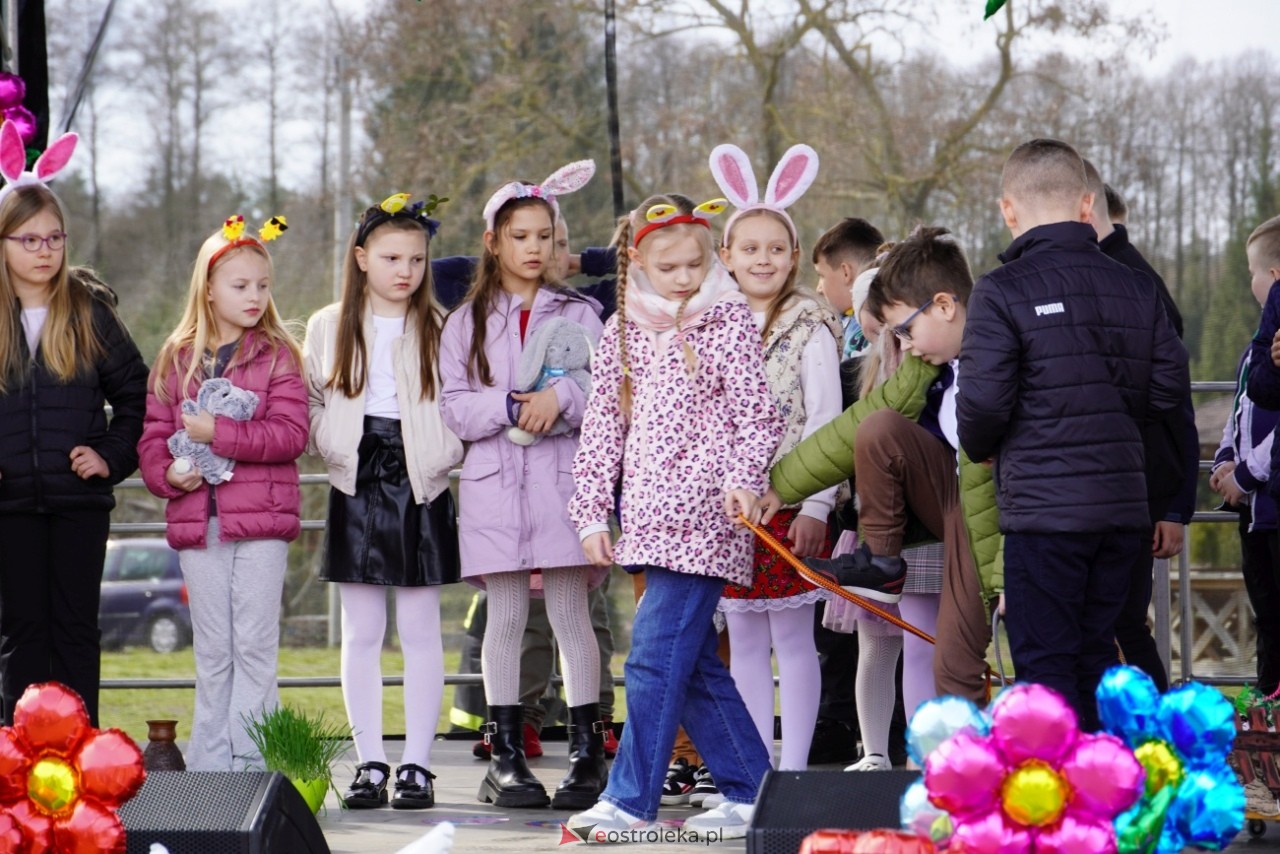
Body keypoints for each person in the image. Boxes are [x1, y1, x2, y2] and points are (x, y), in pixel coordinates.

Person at [567, 192, 782, 841]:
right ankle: (753, 791)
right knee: (688, 667)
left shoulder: (728, 322)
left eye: (695, 264)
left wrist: (745, 481)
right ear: (638, 263)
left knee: (653, 661)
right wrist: (590, 512)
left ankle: (631, 800)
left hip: (707, 519)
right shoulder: (623, 331)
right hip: (648, 519)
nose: (685, 278)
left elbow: (759, 415)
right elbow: (603, 424)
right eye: (670, 268)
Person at [957, 138, 1189, 730]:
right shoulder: (1137, 286)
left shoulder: (1000, 290)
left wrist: (984, 448)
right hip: (1121, 514)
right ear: (1087, 204)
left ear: (1009, 209)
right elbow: (1167, 391)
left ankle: (1059, 811)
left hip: (1043, 514)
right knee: (1101, 659)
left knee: (1045, 664)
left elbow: (982, 405)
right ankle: (1117, 802)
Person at [439, 160, 607, 811]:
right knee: (504, 617)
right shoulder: (465, 323)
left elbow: (604, 392)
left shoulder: (581, 312)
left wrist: (560, 396)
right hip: (492, 488)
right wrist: (512, 407)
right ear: (494, 243)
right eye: (520, 236)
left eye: (545, 235)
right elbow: (454, 407)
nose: (534, 247)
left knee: (572, 614)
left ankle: (587, 753)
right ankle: (506, 755)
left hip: (565, 484)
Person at [775, 228, 999, 712]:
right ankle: (880, 562)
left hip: (1014, 524)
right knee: (879, 427)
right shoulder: (928, 362)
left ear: (944, 306)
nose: (905, 345)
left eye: (905, 329)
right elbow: (855, 428)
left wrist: (1008, 582)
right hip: (960, 512)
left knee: (1006, 659)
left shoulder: (1003, 356)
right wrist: (779, 487)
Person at [304, 195, 462, 809]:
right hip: (356, 474)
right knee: (362, 628)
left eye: (417, 259)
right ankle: (370, 759)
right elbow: (313, 399)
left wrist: (443, 451)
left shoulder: (443, 325)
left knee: (421, 627)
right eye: (392, 257)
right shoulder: (327, 324)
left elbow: (459, 401)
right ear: (362, 257)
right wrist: (333, 444)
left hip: (423, 475)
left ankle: (417, 764)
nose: (406, 270)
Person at [138, 215, 308, 769]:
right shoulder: (175, 358)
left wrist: (220, 434)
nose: (255, 296)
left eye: (263, 285)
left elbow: (290, 435)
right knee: (213, 652)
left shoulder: (280, 353)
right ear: (208, 289)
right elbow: (153, 439)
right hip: (199, 524)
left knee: (255, 647)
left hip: (261, 525)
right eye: (240, 286)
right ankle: (212, 767)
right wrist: (170, 474)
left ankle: (256, 768)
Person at [0, 163, 148, 727]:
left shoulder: (89, 311)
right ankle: (18, 771)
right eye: (29, 239)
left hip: (78, 506)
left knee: (75, 632)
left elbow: (138, 395)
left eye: (54, 238)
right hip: (9, 507)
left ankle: (82, 763)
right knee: (20, 637)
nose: (45, 251)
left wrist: (110, 455)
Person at [709, 142, 840, 772]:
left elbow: (825, 422)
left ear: (793, 256)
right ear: (726, 256)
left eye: (776, 248)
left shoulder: (808, 325)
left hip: (787, 502)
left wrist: (814, 500)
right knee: (744, 637)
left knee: (792, 637)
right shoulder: (709, 325)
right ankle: (755, 768)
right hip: (728, 509)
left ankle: (795, 768)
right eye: (750, 248)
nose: (763, 259)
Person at [1084, 159, 1196, 692]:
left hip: (1135, 490)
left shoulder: (1135, 283)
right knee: (1103, 625)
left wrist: (1173, 504)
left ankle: (1156, 739)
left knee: (1122, 622)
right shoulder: (1095, 273)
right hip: (1101, 487)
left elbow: (1173, 405)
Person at [807, 217, 889, 766]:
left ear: (846, 270)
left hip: (867, 506)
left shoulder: (861, 342)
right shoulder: (846, 333)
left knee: (865, 629)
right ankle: (861, 732)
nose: (818, 289)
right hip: (853, 500)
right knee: (853, 630)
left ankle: (858, 727)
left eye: (821, 276)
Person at [1211, 218, 1280, 696]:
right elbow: (1241, 407)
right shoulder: (1255, 349)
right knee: (1264, 613)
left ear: (1273, 276)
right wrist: (1223, 459)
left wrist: (1249, 474)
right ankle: (1266, 705)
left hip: (1269, 500)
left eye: (1252, 273)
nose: (1249, 283)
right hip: (1252, 512)